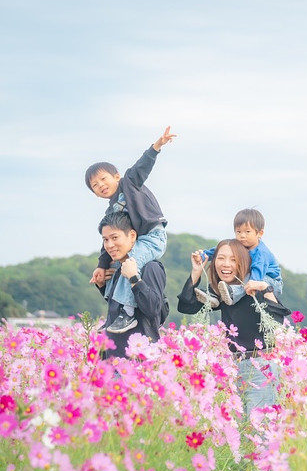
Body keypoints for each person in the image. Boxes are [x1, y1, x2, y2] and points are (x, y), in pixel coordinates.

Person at [177, 239, 290, 416]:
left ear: (243, 262)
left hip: (261, 368)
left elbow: (277, 320)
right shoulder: (222, 292)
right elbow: (186, 306)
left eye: (233, 259)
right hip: (233, 370)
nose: (226, 264)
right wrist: (196, 272)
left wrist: (266, 290)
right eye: (221, 258)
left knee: (258, 431)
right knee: (239, 432)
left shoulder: (255, 287)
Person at [86, 126, 175, 333]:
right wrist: (101, 265)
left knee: (129, 264)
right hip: (137, 240)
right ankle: (114, 315)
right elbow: (107, 242)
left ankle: (127, 312)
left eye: (103, 179)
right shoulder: (110, 213)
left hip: (152, 236)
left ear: (116, 176)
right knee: (116, 269)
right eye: (95, 185)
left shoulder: (130, 183)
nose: (100, 185)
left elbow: (142, 165)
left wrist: (157, 145)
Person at [94, 212, 168, 359]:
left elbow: (153, 309)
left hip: (138, 363)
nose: (109, 245)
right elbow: (119, 308)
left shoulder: (150, 267)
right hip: (113, 359)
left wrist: (134, 278)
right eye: (105, 240)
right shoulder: (119, 269)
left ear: (132, 236)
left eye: (115, 238)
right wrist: (102, 286)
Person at [197, 208, 283, 307]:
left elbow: (258, 271)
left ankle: (232, 294)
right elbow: (219, 251)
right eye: (238, 232)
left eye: (247, 232)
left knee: (246, 275)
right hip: (254, 277)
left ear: (259, 233)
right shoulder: (241, 244)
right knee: (224, 266)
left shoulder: (261, 252)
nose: (242, 236)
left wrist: (253, 284)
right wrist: (203, 255)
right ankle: (214, 296)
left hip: (271, 284)